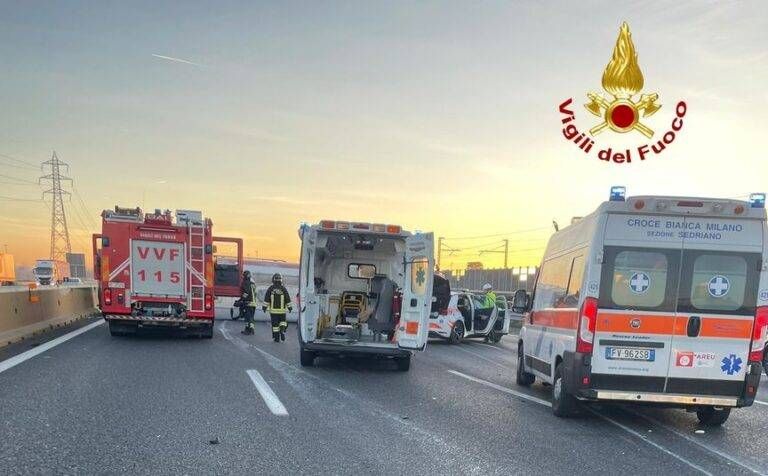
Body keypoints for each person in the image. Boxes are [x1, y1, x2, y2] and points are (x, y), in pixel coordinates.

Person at [263, 273, 293, 342]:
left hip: (273, 312)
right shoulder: (283, 289)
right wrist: (290, 307)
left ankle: (276, 338)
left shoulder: (271, 288)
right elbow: (287, 299)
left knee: (275, 326)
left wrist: (264, 307)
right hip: (282, 311)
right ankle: (282, 330)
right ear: (281, 280)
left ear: (273, 280)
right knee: (283, 322)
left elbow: (266, 298)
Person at [240, 270, 257, 335]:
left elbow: (246, 292)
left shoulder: (245, 283)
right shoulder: (253, 283)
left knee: (247, 317)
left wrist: (242, 300)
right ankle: (251, 329)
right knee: (251, 317)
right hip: (254, 303)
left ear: (244, 276)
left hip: (248, 303)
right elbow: (255, 293)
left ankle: (248, 330)